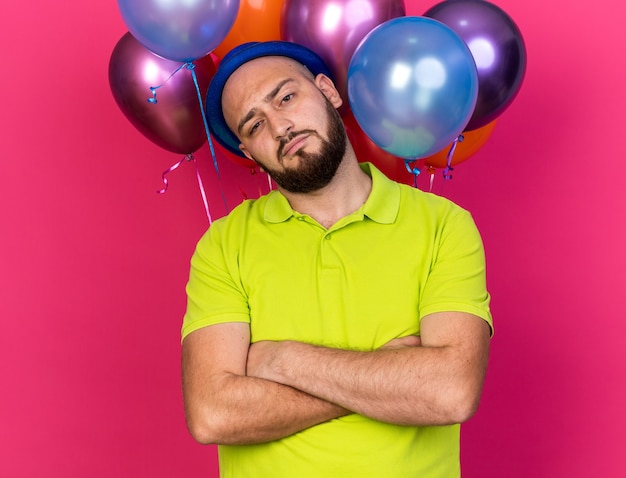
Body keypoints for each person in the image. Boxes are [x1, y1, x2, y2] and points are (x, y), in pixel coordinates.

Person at [181, 41, 492, 478]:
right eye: (254, 125)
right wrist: (390, 380)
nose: (280, 127)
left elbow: (450, 392)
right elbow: (213, 413)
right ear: (249, 154)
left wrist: (282, 362)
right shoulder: (222, 245)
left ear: (327, 91)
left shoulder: (443, 225)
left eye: (287, 97)